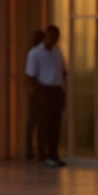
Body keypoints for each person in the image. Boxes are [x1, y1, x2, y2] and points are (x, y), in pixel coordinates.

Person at [25, 24, 68, 168]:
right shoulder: (35, 53)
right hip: (43, 90)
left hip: (56, 89)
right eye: (52, 36)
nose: (54, 40)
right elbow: (30, 76)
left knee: (55, 125)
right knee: (44, 124)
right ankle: (43, 153)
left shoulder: (57, 52)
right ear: (46, 36)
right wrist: (39, 94)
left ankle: (53, 154)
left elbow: (63, 71)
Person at [23, 29, 45, 160]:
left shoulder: (43, 53)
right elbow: (30, 75)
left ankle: (38, 149)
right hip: (36, 93)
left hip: (40, 91)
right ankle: (31, 150)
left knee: (39, 122)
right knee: (33, 121)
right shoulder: (34, 53)